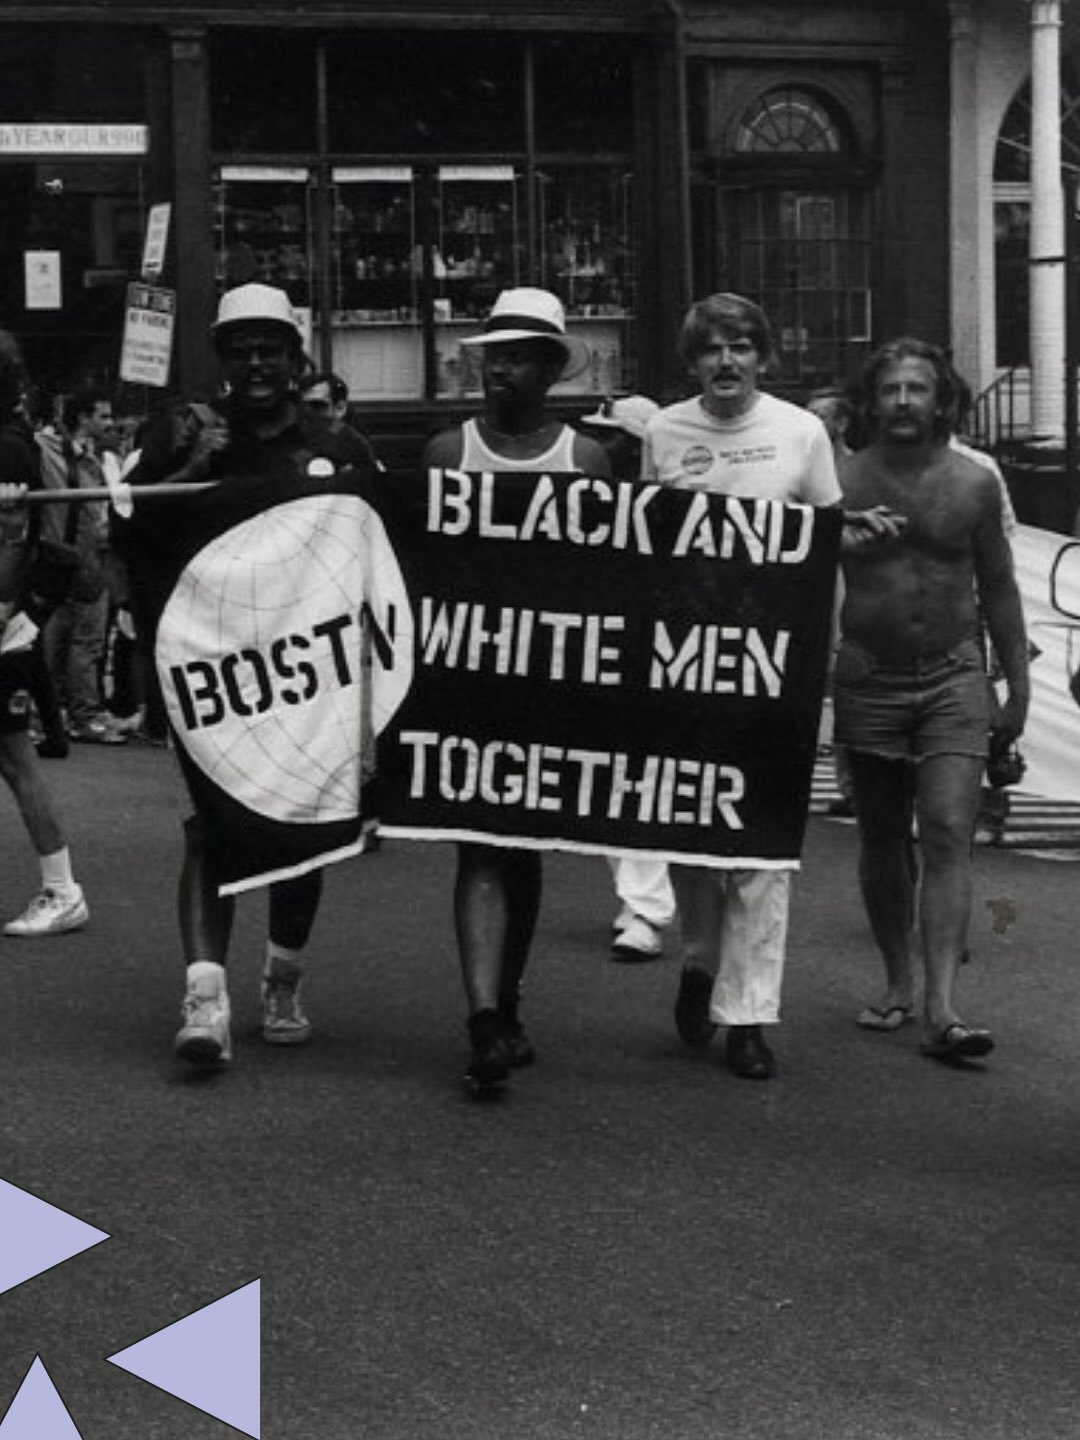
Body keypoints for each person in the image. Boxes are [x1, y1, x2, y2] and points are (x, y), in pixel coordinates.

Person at [641, 292, 901, 1080]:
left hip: (775, 667)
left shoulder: (800, 433)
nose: (728, 362)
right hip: (686, 662)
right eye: (712, 349)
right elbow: (644, 549)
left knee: (762, 840)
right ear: (692, 363)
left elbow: (829, 538)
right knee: (689, 828)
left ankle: (749, 1012)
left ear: (763, 357)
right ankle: (698, 958)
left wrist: (830, 648)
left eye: (742, 347)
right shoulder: (663, 432)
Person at [126, 282, 381, 1067]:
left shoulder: (337, 448)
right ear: (223, 359)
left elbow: (381, 550)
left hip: (309, 675)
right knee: (210, 829)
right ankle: (204, 999)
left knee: (302, 828)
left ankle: (281, 978)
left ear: (295, 354)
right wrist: (186, 474)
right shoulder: (180, 436)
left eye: (271, 347)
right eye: (242, 350)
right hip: (213, 669)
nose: (258, 362)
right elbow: (127, 528)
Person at [423, 286, 611, 1094]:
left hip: (549, 684)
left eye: (520, 355)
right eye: (493, 354)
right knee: (481, 845)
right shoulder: (444, 452)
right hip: (471, 679)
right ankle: (483, 1020)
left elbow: (604, 581)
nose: (502, 368)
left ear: (550, 368)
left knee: (523, 848)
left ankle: (509, 1000)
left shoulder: (585, 460)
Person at [836, 336, 1029, 1063]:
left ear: (942, 399)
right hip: (869, 678)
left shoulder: (975, 482)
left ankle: (943, 1006)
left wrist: (1019, 685)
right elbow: (797, 571)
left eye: (919, 388)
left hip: (954, 675)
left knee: (948, 827)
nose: (905, 401)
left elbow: (1001, 589)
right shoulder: (841, 482)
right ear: (871, 402)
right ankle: (896, 981)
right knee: (883, 837)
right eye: (891, 390)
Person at [580, 394, 677, 962]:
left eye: (613, 436)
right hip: (603, 650)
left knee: (642, 779)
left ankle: (647, 908)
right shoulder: (590, 497)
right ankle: (636, 899)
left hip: (655, 653)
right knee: (608, 782)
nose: (603, 445)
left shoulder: (667, 502)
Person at [0, 332, 88, 937]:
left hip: (1, 623)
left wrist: (8, 529)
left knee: (16, 757)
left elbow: (13, 556)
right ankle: (61, 888)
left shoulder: (7, 449)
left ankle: (62, 889)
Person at [39, 388, 127, 746]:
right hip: (71, 557)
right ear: (83, 418)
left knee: (80, 639)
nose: (110, 423)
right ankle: (82, 715)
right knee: (82, 642)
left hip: (89, 555)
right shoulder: (51, 452)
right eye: (102, 416)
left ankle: (72, 711)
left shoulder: (97, 458)